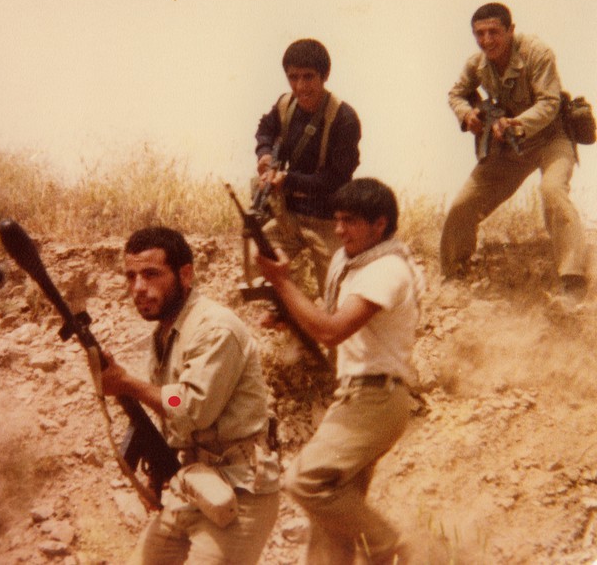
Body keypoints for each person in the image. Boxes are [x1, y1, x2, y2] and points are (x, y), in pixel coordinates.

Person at [257, 178, 423, 564]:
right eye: (337, 219)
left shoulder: (388, 269)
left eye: (350, 221)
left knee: (306, 480)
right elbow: (331, 322)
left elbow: (332, 331)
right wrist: (291, 317)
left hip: (376, 398)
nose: (339, 229)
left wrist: (282, 283)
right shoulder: (351, 264)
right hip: (358, 394)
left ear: (379, 224)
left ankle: (389, 544)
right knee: (332, 518)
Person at [101, 226, 280, 565]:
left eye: (151, 274)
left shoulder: (214, 329)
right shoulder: (166, 333)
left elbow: (186, 405)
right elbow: (172, 410)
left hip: (239, 492)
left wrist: (127, 384)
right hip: (193, 484)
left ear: (185, 274)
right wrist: (157, 476)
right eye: (131, 276)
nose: (138, 288)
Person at [441, 2, 588, 305]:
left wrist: (517, 123)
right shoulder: (477, 64)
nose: (487, 40)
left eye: (494, 32)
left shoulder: (538, 53)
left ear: (510, 30)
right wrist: (467, 114)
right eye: (479, 33)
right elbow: (456, 93)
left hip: (551, 137)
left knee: (552, 191)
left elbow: (549, 104)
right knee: (463, 205)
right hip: (510, 144)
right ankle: (455, 275)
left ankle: (573, 279)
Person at [251, 38, 361, 300]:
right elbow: (265, 128)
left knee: (336, 293)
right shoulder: (285, 105)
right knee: (257, 255)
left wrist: (288, 180)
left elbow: (336, 179)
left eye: (308, 77)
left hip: (328, 220)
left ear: (324, 76)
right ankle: (285, 304)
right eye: (293, 77)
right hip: (290, 216)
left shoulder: (344, 119)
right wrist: (264, 154)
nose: (300, 86)